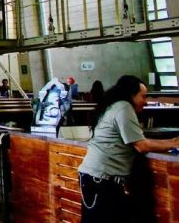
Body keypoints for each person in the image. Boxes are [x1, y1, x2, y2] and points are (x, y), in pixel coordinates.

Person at [77, 75, 179, 222]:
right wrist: (174, 143)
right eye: (143, 97)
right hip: (102, 180)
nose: (145, 101)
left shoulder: (112, 105)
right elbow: (141, 145)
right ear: (131, 95)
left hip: (95, 178)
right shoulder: (124, 107)